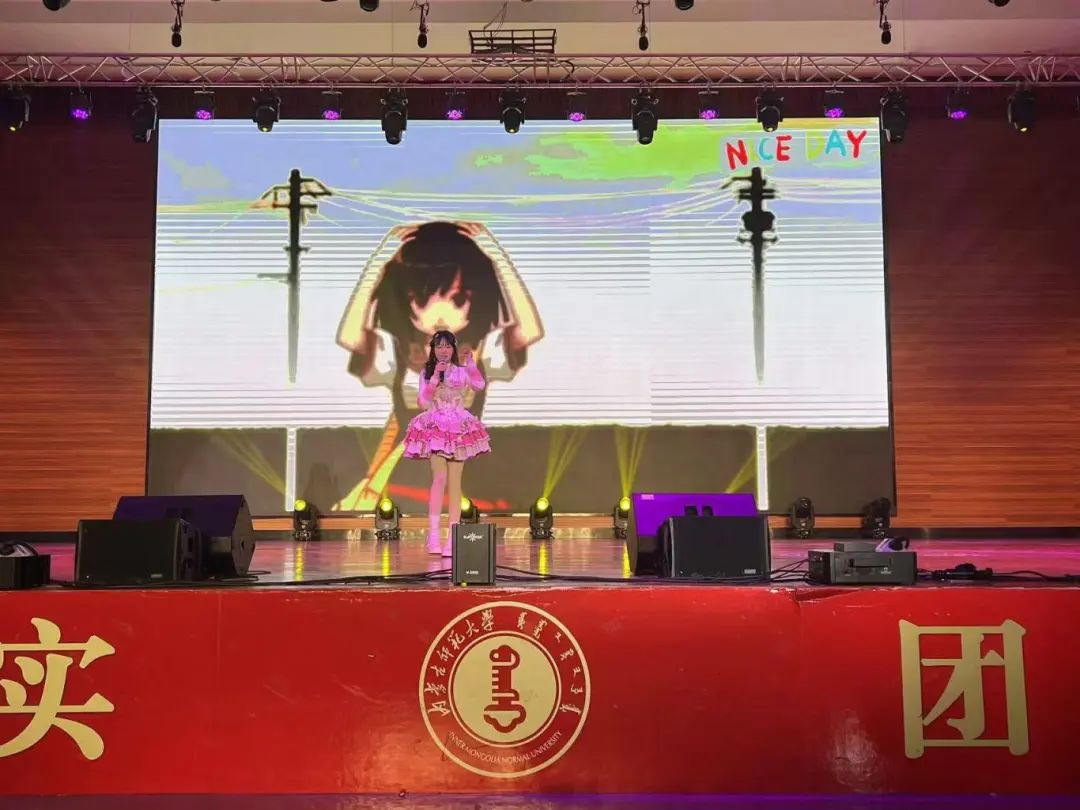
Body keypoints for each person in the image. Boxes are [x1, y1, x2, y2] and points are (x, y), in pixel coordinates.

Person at [333, 220, 542, 512]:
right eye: (421, 299)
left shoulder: (481, 352)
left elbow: (529, 331)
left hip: (468, 466)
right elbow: (350, 337)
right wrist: (378, 262)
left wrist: (496, 257)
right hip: (410, 472)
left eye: (457, 299)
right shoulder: (398, 353)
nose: (440, 314)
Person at [404, 329, 491, 555]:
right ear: (433, 349)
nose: (443, 350)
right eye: (439, 346)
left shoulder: (461, 372)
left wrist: (471, 366)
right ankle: (433, 535)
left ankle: (452, 538)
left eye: (448, 346)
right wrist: (435, 378)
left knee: (455, 484)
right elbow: (423, 401)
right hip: (436, 427)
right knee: (439, 477)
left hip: (459, 429)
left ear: (453, 349)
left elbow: (479, 385)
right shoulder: (426, 373)